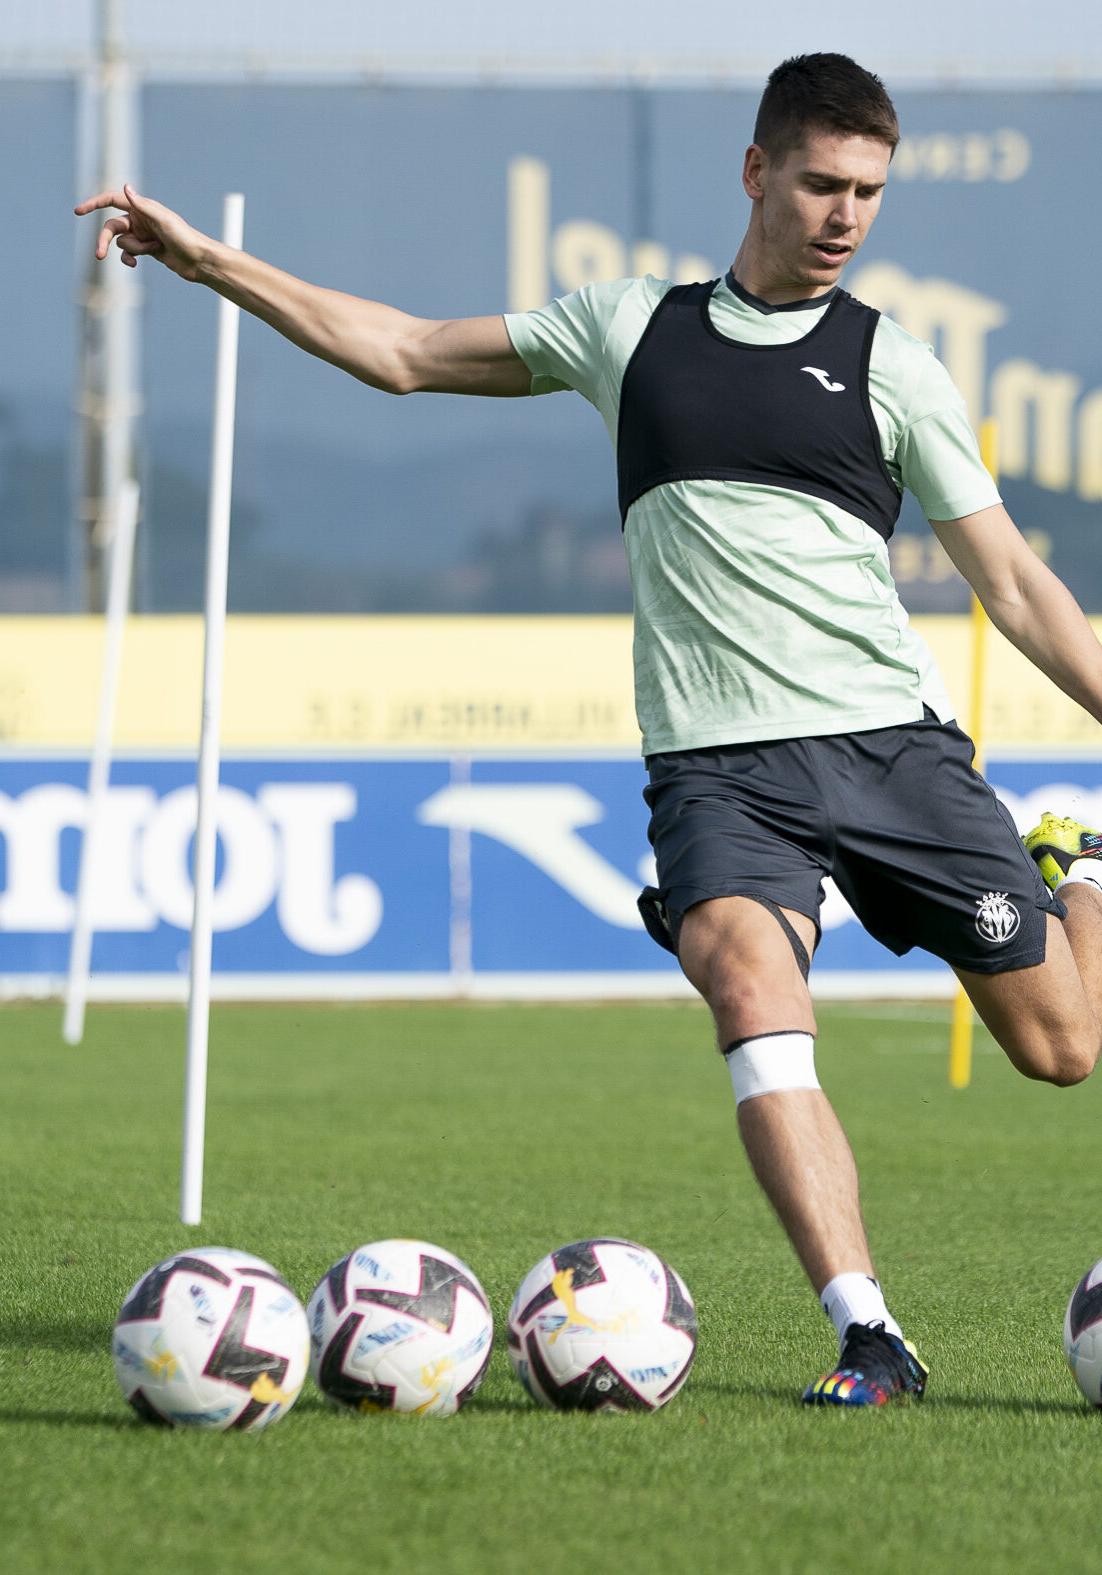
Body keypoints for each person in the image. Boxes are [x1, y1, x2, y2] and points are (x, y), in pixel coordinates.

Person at [77, 51, 1102, 1407]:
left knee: (1062, 1050)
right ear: (755, 171)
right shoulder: (631, 329)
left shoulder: (887, 365)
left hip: (889, 749)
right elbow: (401, 352)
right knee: (747, 982)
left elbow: (1018, 588)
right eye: (819, 182)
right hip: (718, 773)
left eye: (867, 191)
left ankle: (1075, 866)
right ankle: (869, 1333)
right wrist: (212, 266)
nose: (845, 214)